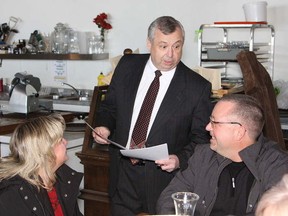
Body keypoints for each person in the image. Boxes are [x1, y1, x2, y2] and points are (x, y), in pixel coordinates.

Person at [93, 16, 212, 215]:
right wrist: (104, 126)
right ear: (149, 44)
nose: (170, 54)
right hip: (123, 174)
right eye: (163, 46)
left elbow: (201, 139)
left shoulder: (196, 87)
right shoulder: (127, 66)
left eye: (177, 46)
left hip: (164, 181)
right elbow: (110, 108)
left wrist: (179, 159)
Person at [156, 94, 288, 216]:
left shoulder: (276, 165)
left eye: (214, 122)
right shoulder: (204, 155)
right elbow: (171, 196)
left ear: (239, 132)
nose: (207, 127)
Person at [0, 114, 83, 216]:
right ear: (46, 150)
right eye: (60, 140)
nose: (66, 142)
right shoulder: (12, 194)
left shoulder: (63, 179)